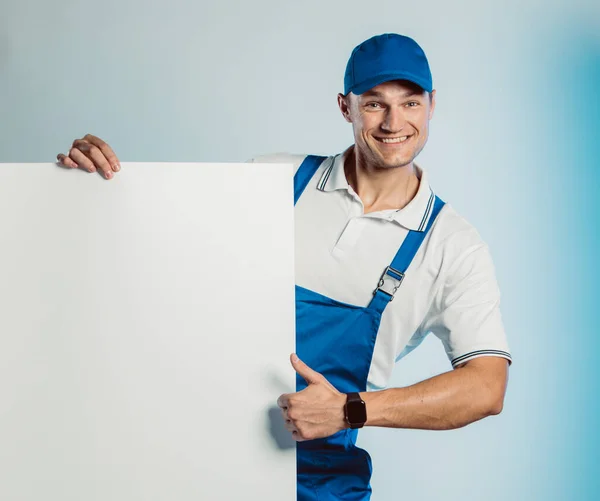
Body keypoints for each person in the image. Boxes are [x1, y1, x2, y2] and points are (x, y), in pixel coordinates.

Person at [56, 33, 512, 501]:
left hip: (320, 484)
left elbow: (486, 386)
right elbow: (160, 258)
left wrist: (350, 410)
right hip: (195, 459)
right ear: (345, 106)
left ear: (432, 105)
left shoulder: (453, 246)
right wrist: (94, 187)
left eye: (411, 103)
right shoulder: (270, 180)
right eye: (374, 104)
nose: (394, 122)